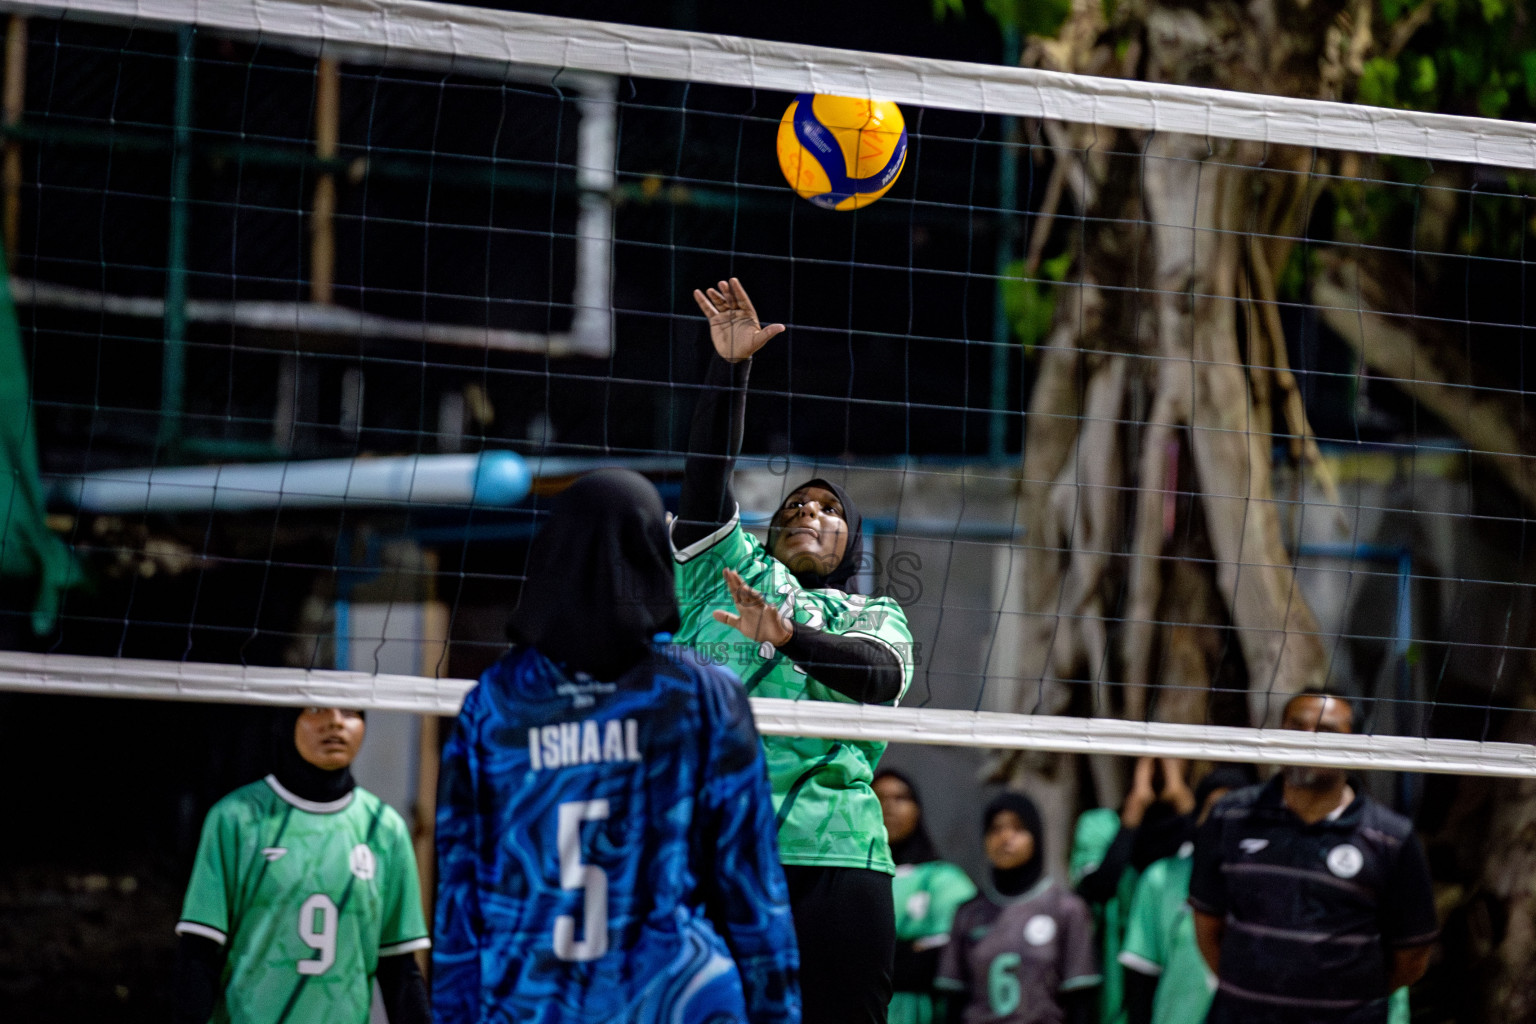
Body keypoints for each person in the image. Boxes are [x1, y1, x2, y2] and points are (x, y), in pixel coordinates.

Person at [433, 469, 800, 1024]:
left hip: (528, 995)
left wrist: (453, 1012)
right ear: (652, 554)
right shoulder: (701, 691)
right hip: (673, 995)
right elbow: (750, 877)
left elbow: (458, 885)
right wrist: (777, 1011)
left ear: (552, 557)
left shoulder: (498, 701)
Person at [673, 277, 916, 1024]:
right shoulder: (730, 569)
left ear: (852, 544)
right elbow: (707, 484)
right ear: (770, 531)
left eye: (832, 510)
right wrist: (731, 368)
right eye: (796, 506)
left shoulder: (873, 611)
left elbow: (877, 678)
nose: (812, 510)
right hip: (720, 843)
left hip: (839, 857)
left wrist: (789, 638)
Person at [1189, 690, 1438, 1024]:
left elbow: (1411, 957)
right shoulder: (1229, 816)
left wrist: (1346, 1003)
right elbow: (1207, 926)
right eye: (1297, 726)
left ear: (1356, 744)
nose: (1309, 740)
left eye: (1327, 731)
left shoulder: (1391, 837)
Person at [173, 706, 430, 1024]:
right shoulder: (236, 818)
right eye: (316, 708)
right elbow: (198, 954)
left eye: (350, 711)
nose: (335, 721)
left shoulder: (385, 828)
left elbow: (399, 969)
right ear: (287, 721)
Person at [937, 792, 1100, 1024]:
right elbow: (952, 1001)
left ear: (1036, 836)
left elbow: (1080, 1000)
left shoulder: (1066, 909)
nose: (1005, 838)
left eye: (1018, 828)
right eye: (996, 829)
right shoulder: (968, 913)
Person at [1118, 763, 1258, 1024]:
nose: (1226, 823)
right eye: (1216, 810)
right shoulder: (1161, 878)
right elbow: (1141, 977)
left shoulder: (1275, 878)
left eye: (1238, 811)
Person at [1070, 756, 1195, 1024]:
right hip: (1113, 994)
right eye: (1152, 761)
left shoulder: (1193, 834)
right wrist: (1134, 811)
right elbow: (1099, 887)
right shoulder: (1100, 825)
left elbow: (1213, 856)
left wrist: (1183, 800)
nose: (1160, 770)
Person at [876, 767, 978, 1024]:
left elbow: (951, 956)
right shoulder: (848, 879)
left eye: (900, 798)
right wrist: (908, 950)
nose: (889, 807)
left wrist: (882, 958)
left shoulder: (943, 879)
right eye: (879, 798)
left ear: (918, 808)